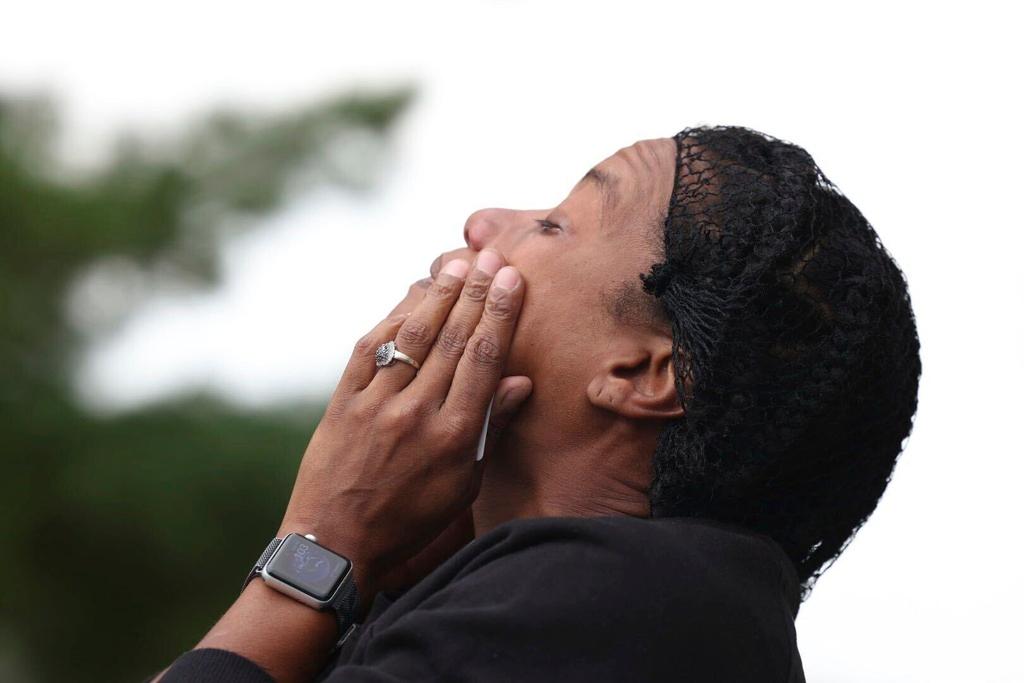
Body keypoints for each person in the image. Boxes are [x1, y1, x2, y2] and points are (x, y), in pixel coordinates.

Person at [150, 126, 920, 682]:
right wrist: (374, 587)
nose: (483, 224)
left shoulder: (618, 602)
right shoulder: (619, 607)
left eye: (553, 226)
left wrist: (322, 545)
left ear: (647, 372)